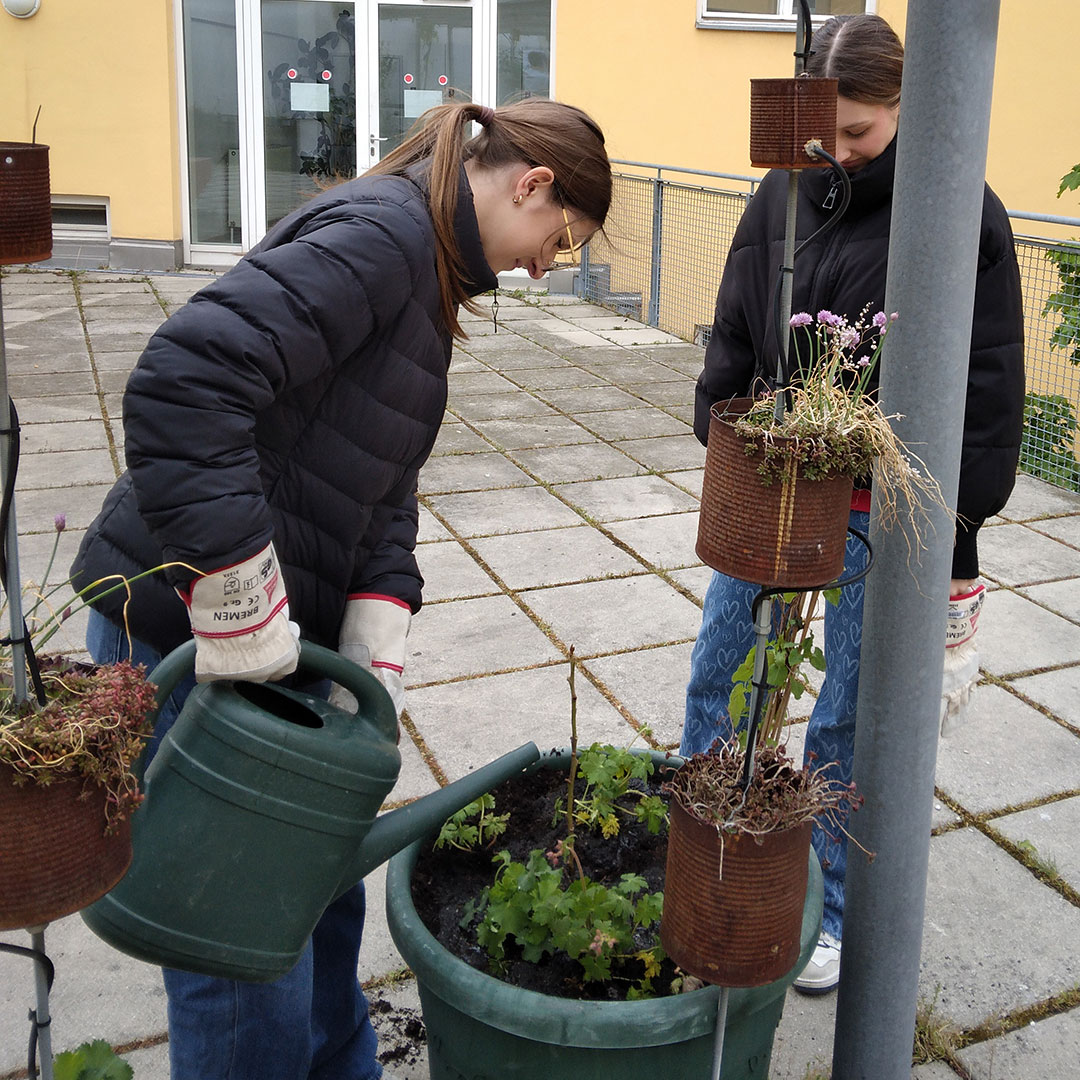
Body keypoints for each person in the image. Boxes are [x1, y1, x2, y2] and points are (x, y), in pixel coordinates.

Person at [70, 97, 611, 1080]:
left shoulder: (428, 269)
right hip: (191, 635)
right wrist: (238, 593)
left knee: (319, 904)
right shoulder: (385, 238)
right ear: (532, 184)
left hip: (283, 654)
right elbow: (184, 382)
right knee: (236, 953)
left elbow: (382, 472)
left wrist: (382, 612)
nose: (541, 267)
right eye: (554, 241)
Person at [683, 13, 1024, 995]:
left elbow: (988, 377)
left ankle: (829, 909)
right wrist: (721, 420)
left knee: (846, 716)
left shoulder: (962, 209)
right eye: (825, 133)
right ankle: (706, 859)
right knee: (724, 676)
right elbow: (742, 301)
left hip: (881, 503)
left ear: (909, 108)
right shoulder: (787, 178)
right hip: (775, 486)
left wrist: (967, 521)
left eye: (860, 135)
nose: (836, 152)